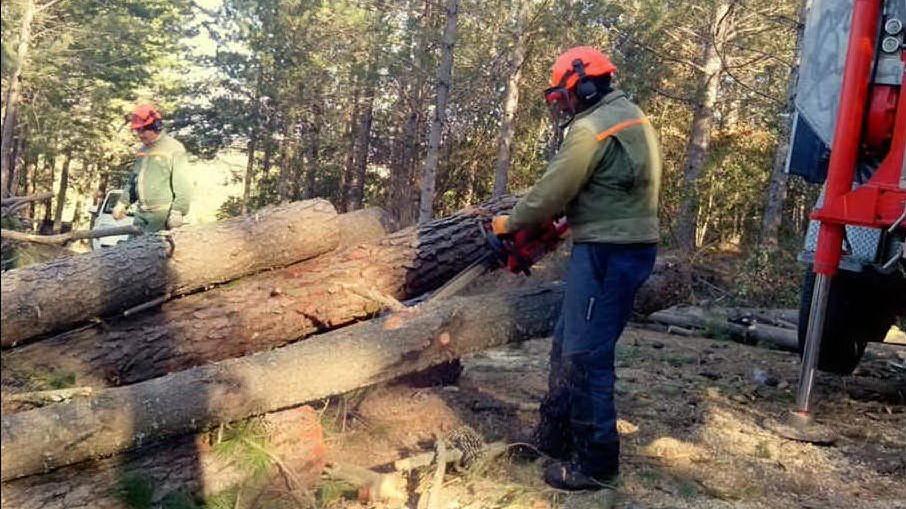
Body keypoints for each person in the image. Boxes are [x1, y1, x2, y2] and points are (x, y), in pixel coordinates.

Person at [493, 47, 662, 491]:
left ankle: (596, 463)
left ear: (585, 85)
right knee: (570, 341)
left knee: (586, 354)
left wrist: (511, 222)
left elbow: (552, 190)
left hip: (609, 251)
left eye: (565, 95)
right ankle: (559, 435)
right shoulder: (631, 115)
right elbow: (613, 189)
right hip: (617, 243)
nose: (563, 106)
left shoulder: (590, 128)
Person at [113, 104, 192, 233]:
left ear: (156, 127)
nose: (140, 135)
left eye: (143, 130)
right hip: (141, 214)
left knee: (153, 250)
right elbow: (134, 180)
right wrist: (122, 203)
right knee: (132, 249)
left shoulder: (174, 148)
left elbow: (183, 184)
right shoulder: (142, 151)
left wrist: (178, 211)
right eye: (137, 131)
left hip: (161, 215)